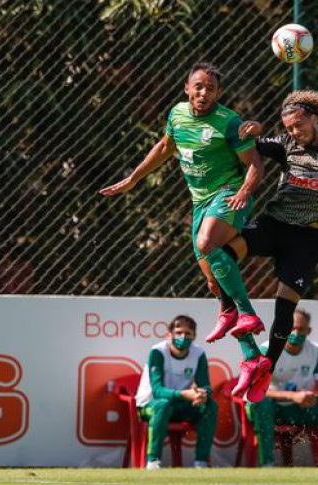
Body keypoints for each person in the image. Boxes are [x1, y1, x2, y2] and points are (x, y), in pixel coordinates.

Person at [100, 62, 272, 402]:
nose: (203, 93)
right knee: (213, 279)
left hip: (228, 196)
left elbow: (255, 164)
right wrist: (133, 179)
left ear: (219, 93)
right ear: (187, 88)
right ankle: (253, 355)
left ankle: (246, 313)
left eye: (210, 88)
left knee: (207, 242)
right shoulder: (177, 115)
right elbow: (165, 148)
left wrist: (243, 192)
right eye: (198, 86)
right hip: (200, 204)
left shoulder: (229, 122)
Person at [204, 90, 318, 385]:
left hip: (308, 238)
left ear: (314, 119)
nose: (294, 132)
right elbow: (245, 146)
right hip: (274, 224)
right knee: (221, 254)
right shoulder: (285, 143)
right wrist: (255, 127)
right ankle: (233, 311)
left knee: (286, 307)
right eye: (289, 128)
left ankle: (265, 368)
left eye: (299, 126)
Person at [248, 308, 318, 467]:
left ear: (309, 331)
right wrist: (292, 396)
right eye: (291, 328)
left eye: (301, 329)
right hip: (273, 408)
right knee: (260, 403)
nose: (296, 332)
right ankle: (267, 464)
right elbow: (256, 390)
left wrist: (313, 397)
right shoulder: (267, 349)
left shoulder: (316, 350)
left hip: (301, 409)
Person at [134, 315, 218, 470]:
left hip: (180, 405)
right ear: (169, 334)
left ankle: (201, 463)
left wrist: (203, 394)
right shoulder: (158, 352)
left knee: (210, 405)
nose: (183, 336)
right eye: (178, 332)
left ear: (194, 336)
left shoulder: (198, 353)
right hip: (150, 405)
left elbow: (205, 385)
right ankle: (153, 462)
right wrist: (183, 394)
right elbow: (157, 390)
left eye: (188, 333)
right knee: (163, 405)